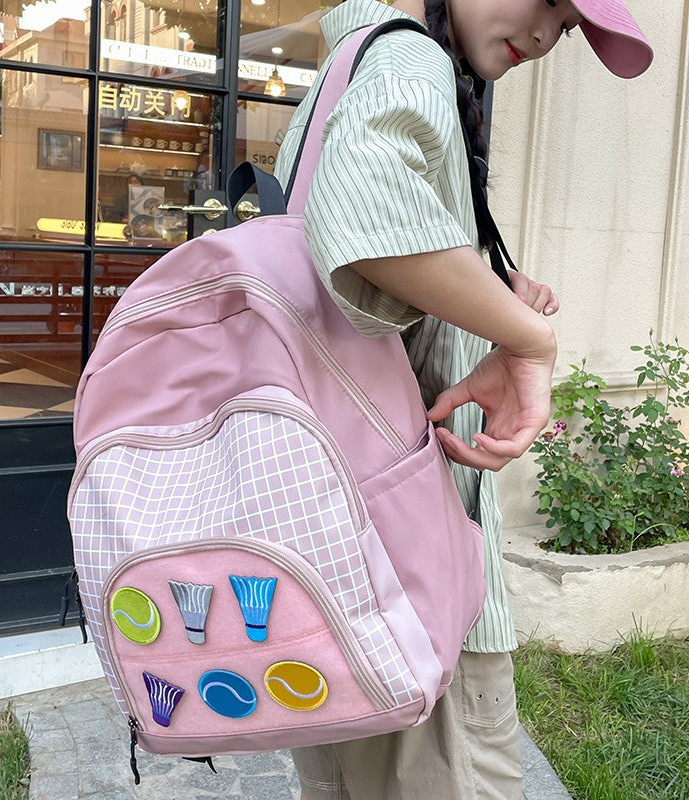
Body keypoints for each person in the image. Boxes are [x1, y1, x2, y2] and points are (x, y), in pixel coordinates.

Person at [272, 1, 653, 798]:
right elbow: (362, 207)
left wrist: (482, 295)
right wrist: (527, 338)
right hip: (417, 580)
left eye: (571, 25)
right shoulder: (413, 61)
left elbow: (344, 287)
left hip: (334, 557)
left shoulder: (353, 61)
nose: (550, 33)